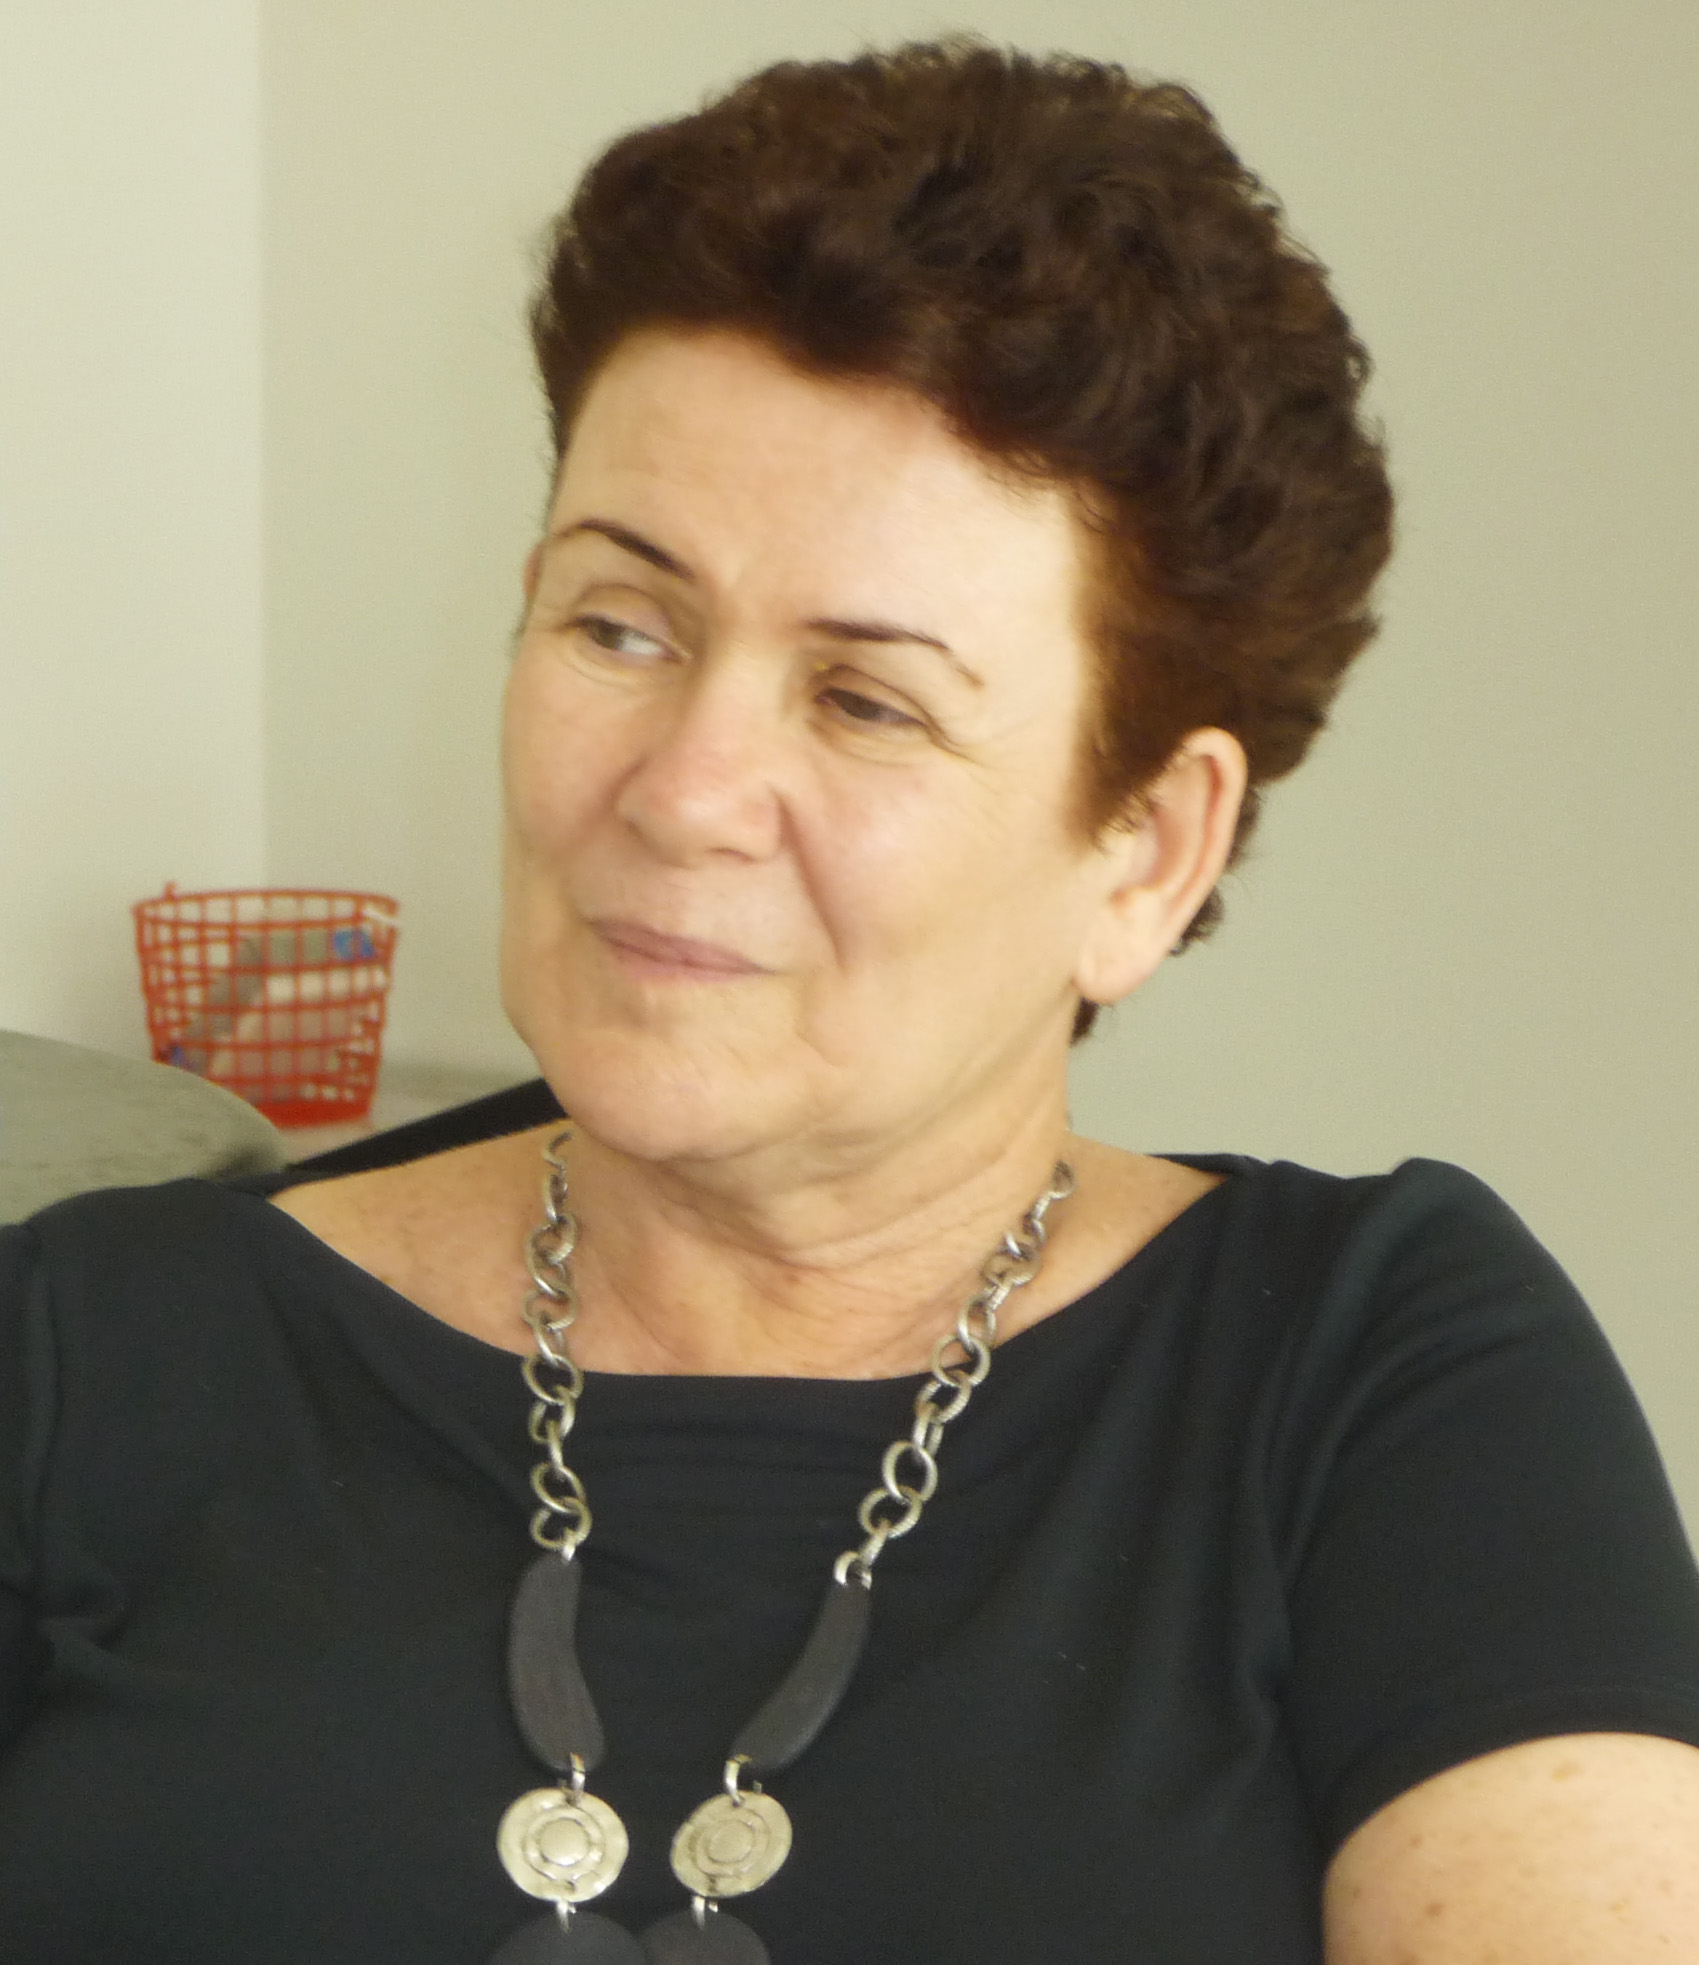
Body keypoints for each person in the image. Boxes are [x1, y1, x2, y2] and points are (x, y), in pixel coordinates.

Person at [3, 37, 1699, 1965]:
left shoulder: (1373, 1376)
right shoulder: (92, 1350)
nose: (682, 790)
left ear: (1145, 850)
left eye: (867, 699)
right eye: (620, 623)